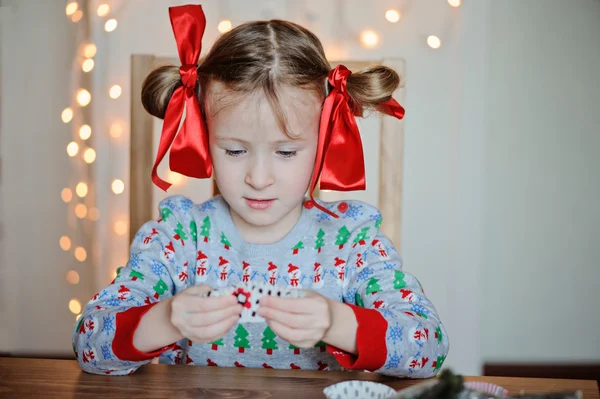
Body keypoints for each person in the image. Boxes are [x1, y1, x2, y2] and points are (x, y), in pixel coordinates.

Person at [73, 4, 449, 378]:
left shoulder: (353, 241)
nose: (258, 176)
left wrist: (340, 323)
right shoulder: (179, 236)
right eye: (235, 150)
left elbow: (430, 347)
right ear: (205, 139)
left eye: (285, 151)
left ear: (325, 142)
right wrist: (163, 320)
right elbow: (88, 344)